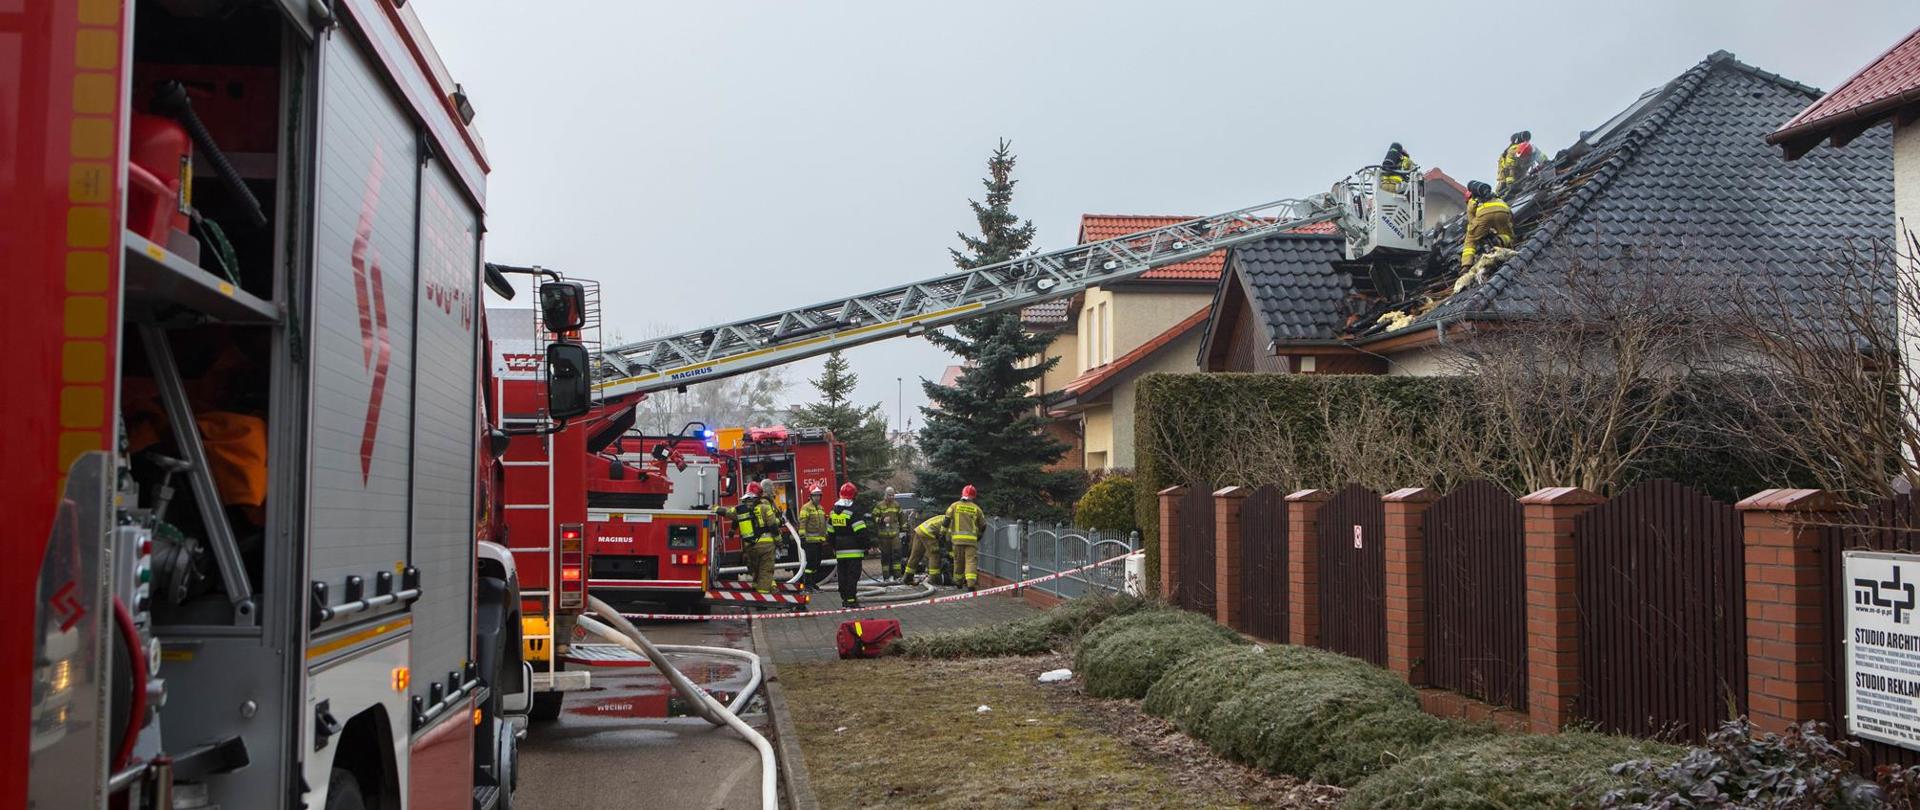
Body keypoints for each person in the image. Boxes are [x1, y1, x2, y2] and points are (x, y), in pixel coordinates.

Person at [712, 483, 788, 594]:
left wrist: (715, 508)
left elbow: (728, 512)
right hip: (767, 547)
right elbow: (773, 526)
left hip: (750, 547)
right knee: (765, 571)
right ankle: (762, 599)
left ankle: (758, 588)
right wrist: (780, 542)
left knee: (756, 571)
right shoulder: (765, 507)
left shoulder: (741, 509)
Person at [827, 483, 872, 608]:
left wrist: (834, 546)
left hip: (840, 550)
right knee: (853, 575)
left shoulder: (833, 512)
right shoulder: (854, 511)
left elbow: (830, 533)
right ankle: (851, 600)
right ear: (854, 496)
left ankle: (845, 598)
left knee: (842, 574)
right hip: (854, 550)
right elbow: (861, 532)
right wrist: (866, 546)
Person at [1460, 181, 1514, 271]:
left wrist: (1472, 233)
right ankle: (1501, 242)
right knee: (1507, 235)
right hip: (1503, 211)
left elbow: (1472, 224)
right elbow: (1510, 215)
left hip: (1485, 214)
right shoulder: (1494, 195)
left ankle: (1466, 265)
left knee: (1470, 239)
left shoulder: (1471, 201)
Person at [944, 485, 987, 591]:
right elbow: (983, 525)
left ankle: (958, 582)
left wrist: (942, 534)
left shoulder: (954, 506)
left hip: (957, 541)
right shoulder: (977, 509)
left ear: (962, 494)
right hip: (971, 541)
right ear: (973, 496)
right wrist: (979, 536)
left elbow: (946, 520)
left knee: (958, 561)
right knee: (971, 561)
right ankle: (971, 584)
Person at [796, 486, 830, 589]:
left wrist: (826, 536)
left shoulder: (821, 508)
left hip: (819, 541)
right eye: (815, 495)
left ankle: (813, 582)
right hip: (809, 541)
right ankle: (808, 584)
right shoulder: (806, 508)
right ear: (811, 496)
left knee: (817, 563)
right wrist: (802, 538)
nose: (817, 498)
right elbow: (802, 523)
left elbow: (823, 523)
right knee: (811, 563)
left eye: (819, 495)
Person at [871, 488, 906, 581]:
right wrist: (881, 520)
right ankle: (886, 577)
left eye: (892, 495)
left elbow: (902, 518)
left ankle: (897, 576)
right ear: (885, 495)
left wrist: (903, 530)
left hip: (895, 535)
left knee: (897, 555)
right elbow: (873, 517)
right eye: (889, 495)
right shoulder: (879, 505)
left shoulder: (897, 505)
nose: (891, 497)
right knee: (885, 556)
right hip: (884, 536)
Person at [905, 514, 947, 587]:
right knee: (934, 554)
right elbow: (949, 539)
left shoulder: (946, 517)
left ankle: (907, 578)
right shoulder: (953, 522)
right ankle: (934, 580)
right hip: (928, 532)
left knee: (915, 555)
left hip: (920, 530)